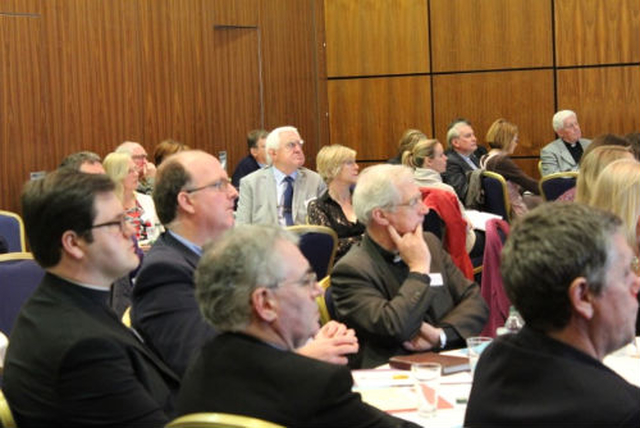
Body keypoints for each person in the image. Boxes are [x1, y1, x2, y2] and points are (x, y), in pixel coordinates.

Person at [133, 150, 357, 377]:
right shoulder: (165, 273)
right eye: (220, 185)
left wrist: (307, 334)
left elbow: (264, 327)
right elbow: (205, 364)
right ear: (187, 201)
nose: (233, 193)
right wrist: (304, 356)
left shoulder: (230, 254)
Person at [176, 224, 417, 428]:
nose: (319, 290)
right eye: (306, 281)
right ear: (265, 303)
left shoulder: (200, 366)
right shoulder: (314, 383)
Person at [3, 169, 179, 427]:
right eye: (117, 223)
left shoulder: (63, 303)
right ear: (73, 243)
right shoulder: (84, 348)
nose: (131, 230)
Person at [464, 203, 640, 426]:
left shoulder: (496, 358)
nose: (637, 283)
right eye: (625, 273)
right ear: (583, 296)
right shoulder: (622, 411)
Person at [331, 164, 488, 369]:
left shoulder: (429, 243)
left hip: (449, 362)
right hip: (392, 376)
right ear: (381, 215)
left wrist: (440, 335)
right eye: (414, 202)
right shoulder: (352, 270)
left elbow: (475, 301)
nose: (424, 209)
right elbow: (394, 328)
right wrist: (419, 269)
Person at [236, 126, 326, 226]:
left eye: (300, 144)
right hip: (266, 240)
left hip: (305, 240)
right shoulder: (251, 183)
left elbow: (325, 227)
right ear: (273, 153)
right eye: (291, 145)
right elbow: (241, 228)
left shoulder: (315, 181)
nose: (298, 149)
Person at [402, 138, 476, 253]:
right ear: (429, 161)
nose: (446, 158)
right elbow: (465, 226)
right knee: (498, 233)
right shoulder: (445, 190)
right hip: (453, 248)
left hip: (418, 248)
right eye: (441, 155)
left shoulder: (406, 186)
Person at [307, 144, 364, 260]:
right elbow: (328, 246)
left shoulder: (364, 200)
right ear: (332, 168)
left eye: (355, 162)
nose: (357, 167)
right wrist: (366, 239)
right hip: (341, 269)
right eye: (349, 163)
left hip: (372, 265)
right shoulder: (318, 207)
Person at [480, 118, 541, 217]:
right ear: (507, 140)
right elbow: (529, 183)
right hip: (516, 212)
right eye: (515, 140)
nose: (516, 144)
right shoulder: (501, 162)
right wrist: (552, 189)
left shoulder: (484, 158)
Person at [103, 152, 160, 243]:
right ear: (116, 175)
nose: (136, 174)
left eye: (135, 169)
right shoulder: (104, 207)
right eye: (130, 171)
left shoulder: (147, 200)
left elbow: (159, 232)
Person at [443, 119, 487, 201]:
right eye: (468, 136)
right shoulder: (450, 162)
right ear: (456, 142)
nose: (474, 139)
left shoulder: (473, 157)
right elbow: (463, 193)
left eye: (473, 135)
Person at [540, 110, 592, 176]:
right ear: (560, 132)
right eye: (570, 126)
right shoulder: (549, 151)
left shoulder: (590, 144)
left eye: (576, 123)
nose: (576, 128)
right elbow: (551, 180)